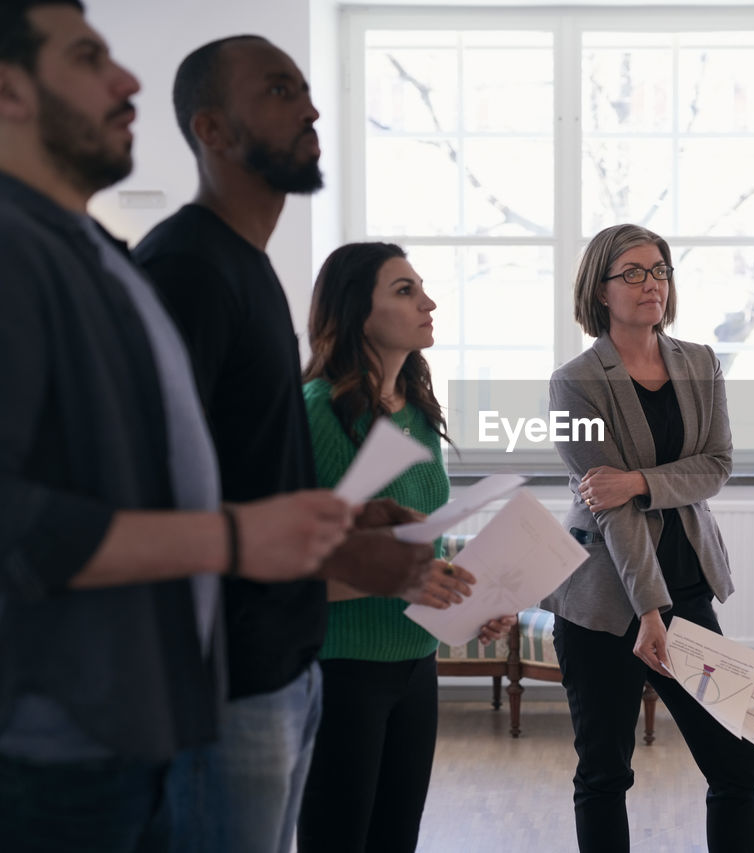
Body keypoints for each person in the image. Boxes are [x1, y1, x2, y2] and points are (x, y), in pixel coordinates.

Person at [0, 3, 353, 851]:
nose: (126, 81)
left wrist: (315, 532)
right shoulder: (31, 252)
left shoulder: (95, 251)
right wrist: (232, 538)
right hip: (66, 731)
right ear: (10, 92)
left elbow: (161, 467)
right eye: (89, 58)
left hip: (144, 711)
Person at [132, 36, 459, 853]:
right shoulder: (188, 272)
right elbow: (153, 500)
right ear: (211, 128)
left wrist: (350, 535)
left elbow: (242, 483)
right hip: (230, 679)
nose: (311, 108)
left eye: (309, 90)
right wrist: (345, 556)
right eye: (280, 91)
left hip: (282, 664)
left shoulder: (243, 270)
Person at [543, 224, 754, 852]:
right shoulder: (574, 382)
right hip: (604, 607)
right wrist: (647, 611)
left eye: (660, 270)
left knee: (738, 761)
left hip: (687, 594)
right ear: (601, 289)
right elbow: (607, 509)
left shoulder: (699, 362)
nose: (652, 284)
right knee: (605, 773)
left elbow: (716, 466)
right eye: (633, 273)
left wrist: (638, 478)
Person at [295, 242, 514, 852]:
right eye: (404, 290)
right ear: (355, 311)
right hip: (341, 668)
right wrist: (397, 577)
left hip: (416, 664)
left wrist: (471, 602)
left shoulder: (417, 414)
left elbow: (422, 544)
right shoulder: (319, 414)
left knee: (396, 841)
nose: (428, 303)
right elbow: (291, 567)